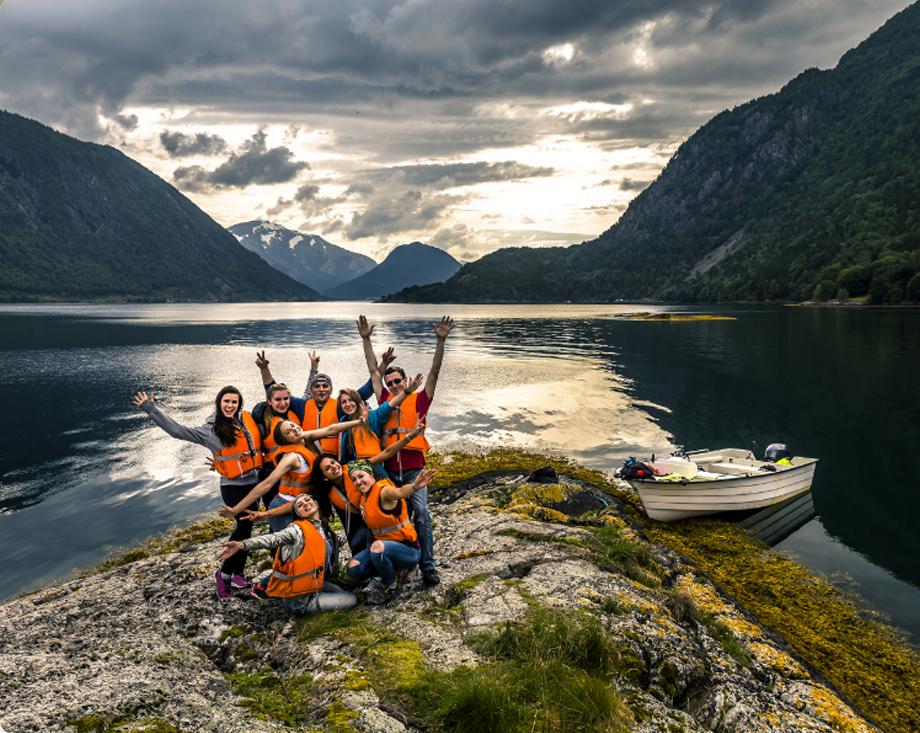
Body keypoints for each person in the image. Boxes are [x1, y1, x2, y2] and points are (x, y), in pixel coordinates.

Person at [133, 386, 263, 599]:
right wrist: (151, 409)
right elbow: (177, 431)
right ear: (219, 403)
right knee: (242, 528)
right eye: (226, 402)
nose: (230, 405)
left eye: (234, 402)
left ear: (240, 404)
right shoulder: (209, 431)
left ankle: (238, 573)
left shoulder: (245, 421)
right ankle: (224, 575)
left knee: (247, 528)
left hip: (252, 484)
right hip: (233, 487)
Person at [357, 314, 454, 586]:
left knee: (421, 512)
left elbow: (434, 372)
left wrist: (440, 341)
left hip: (414, 470)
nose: (395, 385)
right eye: (392, 383)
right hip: (387, 473)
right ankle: (380, 566)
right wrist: (366, 340)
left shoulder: (421, 400)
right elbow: (373, 371)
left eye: (398, 381)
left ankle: (428, 567)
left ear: (405, 380)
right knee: (378, 515)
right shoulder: (385, 400)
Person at [246, 423, 427, 555]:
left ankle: (407, 559)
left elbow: (385, 454)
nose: (333, 466)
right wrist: (265, 514)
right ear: (324, 476)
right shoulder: (327, 493)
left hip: (383, 521)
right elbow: (294, 505)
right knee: (356, 563)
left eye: (333, 462)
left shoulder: (354, 469)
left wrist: (411, 436)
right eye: (327, 468)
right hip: (357, 521)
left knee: (387, 543)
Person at [220, 493, 357, 615]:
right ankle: (298, 606)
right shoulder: (296, 530)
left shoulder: (321, 526)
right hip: (300, 600)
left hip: (313, 585)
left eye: (308, 499)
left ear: (316, 502)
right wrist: (241, 544)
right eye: (300, 505)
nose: (306, 503)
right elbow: (272, 539)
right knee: (351, 599)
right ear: (298, 513)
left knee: (341, 591)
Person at [219, 417, 362, 532]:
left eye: (292, 426)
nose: (294, 430)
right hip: (285, 506)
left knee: (316, 542)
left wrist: (359, 422)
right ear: (285, 440)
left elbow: (331, 429)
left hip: (305, 503)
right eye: (288, 432)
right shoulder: (291, 457)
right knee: (294, 552)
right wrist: (236, 509)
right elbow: (266, 484)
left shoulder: (303, 438)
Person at [344, 461, 435, 600]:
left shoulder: (383, 491)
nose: (358, 481)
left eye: (361, 476)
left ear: (371, 475)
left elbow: (399, 492)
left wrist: (415, 486)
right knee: (353, 567)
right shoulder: (363, 498)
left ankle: (389, 586)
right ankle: (387, 572)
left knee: (377, 547)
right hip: (384, 550)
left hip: (408, 550)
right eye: (354, 479)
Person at [336, 371, 423, 464]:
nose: (348, 404)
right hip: (354, 470)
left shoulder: (372, 417)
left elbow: (389, 405)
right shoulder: (343, 425)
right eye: (344, 402)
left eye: (351, 400)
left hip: (373, 467)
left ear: (358, 401)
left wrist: (407, 391)